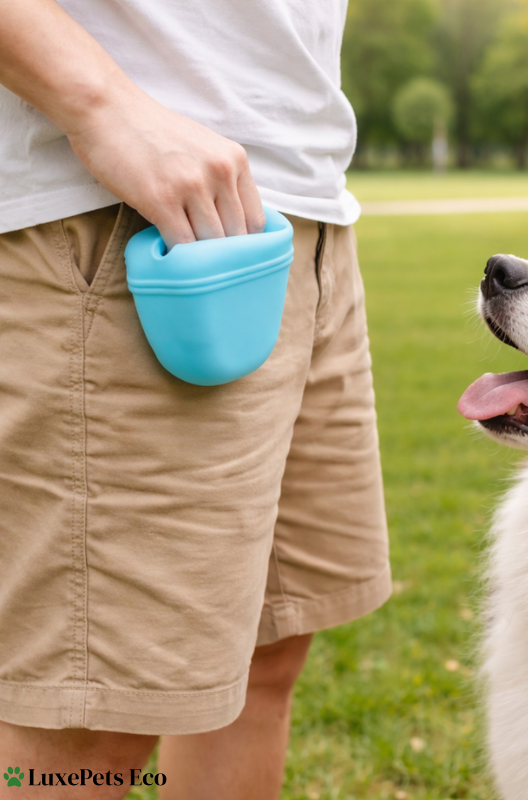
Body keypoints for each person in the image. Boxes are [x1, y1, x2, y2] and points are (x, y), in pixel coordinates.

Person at [0, 1, 391, 797]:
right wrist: (101, 106)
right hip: (121, 213)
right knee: (88, 719)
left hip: (300, 210)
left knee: (261, 654)